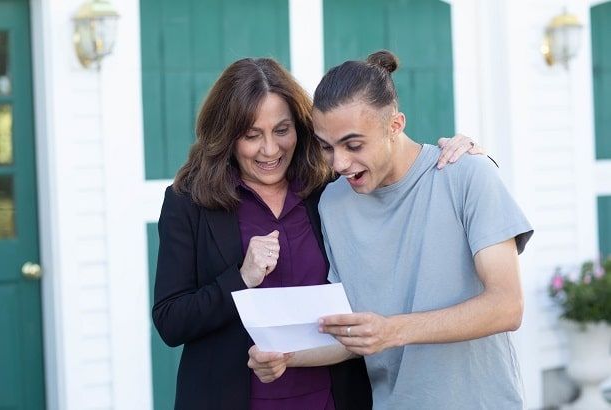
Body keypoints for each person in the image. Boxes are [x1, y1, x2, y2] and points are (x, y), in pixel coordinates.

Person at [152, 56, 479, 410]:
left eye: (282, 130)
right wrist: (240, 278)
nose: (270, 149)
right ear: (227, 136)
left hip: (335, 397)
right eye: (251, 135)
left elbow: (391, 164)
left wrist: (466, 156)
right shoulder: (189, 203)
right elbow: (171, 321)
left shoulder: (332, 189)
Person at [248, 50, 533, 409]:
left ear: (395, 126)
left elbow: (507, 306)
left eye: (353, 145)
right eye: (326, 147)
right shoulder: (333, 204)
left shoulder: (468, 175)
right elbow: (354, 335)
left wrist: (392, 330)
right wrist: (285, 355)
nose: (339, 163)